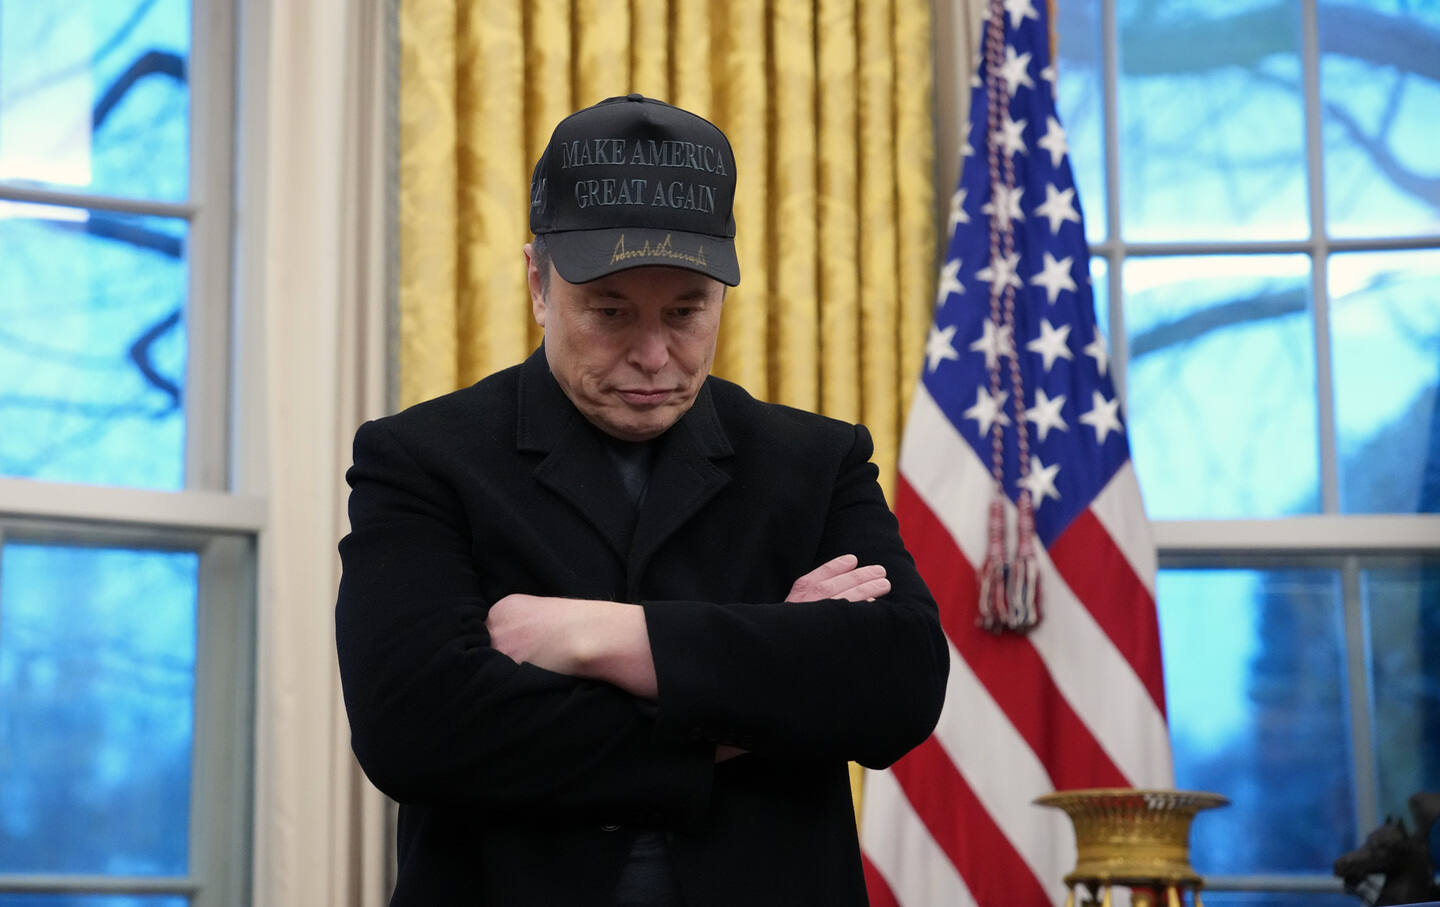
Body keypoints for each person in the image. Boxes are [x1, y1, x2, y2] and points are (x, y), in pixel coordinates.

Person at [335, 94, 949, 907]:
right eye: (611, 311)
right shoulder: (420, 458)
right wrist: (766, 688)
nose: (655, 354)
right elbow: (415, 730)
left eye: (687, 311)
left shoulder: (816, 460)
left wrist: (597, 636)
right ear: (537, 282)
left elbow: (898, 683)